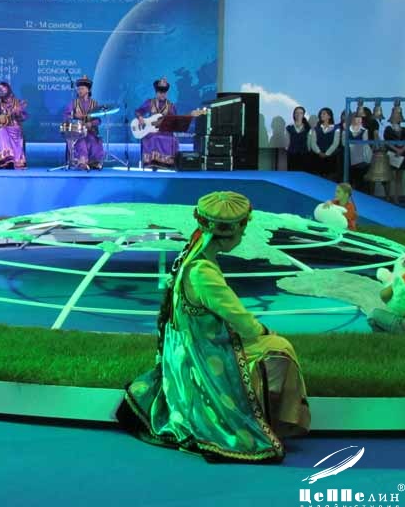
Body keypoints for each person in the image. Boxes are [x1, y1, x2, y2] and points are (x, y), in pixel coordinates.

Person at [117, 191, 310, 463]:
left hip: (191, 342)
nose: (242, 237)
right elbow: (240, 319)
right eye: (241, 232)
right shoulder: (203, 273)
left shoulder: (191, 255)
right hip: (202, 351)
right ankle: (263, 421)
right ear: (228, 235)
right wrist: (265, 333)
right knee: (280, 349)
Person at [135, 77, 178, 169]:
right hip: (151, 131)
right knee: (154, 137)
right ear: (156, 92)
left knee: (173, 139)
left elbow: (174, 120)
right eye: (160, 92)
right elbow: (138, 111)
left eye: (164, 92)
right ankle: (151, 163)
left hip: (165, 131)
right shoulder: (150, 102)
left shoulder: (170, 106)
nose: (162, 94)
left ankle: (167, 164)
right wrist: (140, 117)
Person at [63, 76, 103, 170]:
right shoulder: (74, 103)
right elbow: (66, 116)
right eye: (78, 89)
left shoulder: (94, 104)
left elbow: (98, 120)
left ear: (88, 90)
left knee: (94, 140)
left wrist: (91, 124)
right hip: (77, 132)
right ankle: (82, 162)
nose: (79, 91)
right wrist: (74, 115)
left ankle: (94, 162)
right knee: (81, 140)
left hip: (90, 131)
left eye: (82, 89)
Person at [0, 82, 27, 169]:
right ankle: (5, 159)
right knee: (2, 130)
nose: (1, 91)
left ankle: (15, 160)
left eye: (3, 89)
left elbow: (23, 117)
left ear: (8, 90)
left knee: (9, 130)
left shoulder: (17, 103)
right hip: (2, 129)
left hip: (15, 128)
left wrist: (18, 113)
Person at [382, 104, 405, 205]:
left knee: (399, 178)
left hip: (402, 156)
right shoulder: (388, 129)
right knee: (389, 176)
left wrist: (402, 150)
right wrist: (396, 149)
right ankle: (388, 197)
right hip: (391, 155)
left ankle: (397, 198)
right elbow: (387, 142)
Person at [309, 107, 340, 179]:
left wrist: (327, 154)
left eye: (324, 114)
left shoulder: (336, 128)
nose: (321, 115)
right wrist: (319, 152)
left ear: (329, 116)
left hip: (331, 158)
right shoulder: (316, 129)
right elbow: (313, 143)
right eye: (321, 114)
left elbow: (335, 143)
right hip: (317, 157)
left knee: (330, 178)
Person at [344, 112, 372, 191]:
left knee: (360, 178)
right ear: (352, 119)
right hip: (348, 156)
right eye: (357, 118)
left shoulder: (364, 130)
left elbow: (365, 143)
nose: (359, 120)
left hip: (360, 156)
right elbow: (344, 142)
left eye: (360, 118)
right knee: (349, 177)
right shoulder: (347, 130)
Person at [285, 106, 311, 172]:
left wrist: (308, 150)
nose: (298, 114)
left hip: (304, 154)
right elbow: (287, 141)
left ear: (303, 115)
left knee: (303, 173)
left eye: (301, 113)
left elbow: (309, 141)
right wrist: (288, 150)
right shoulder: (289, 127)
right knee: (292, 173)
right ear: (294, 114)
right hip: (292, 154)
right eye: (296, 113)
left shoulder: (308, 127)